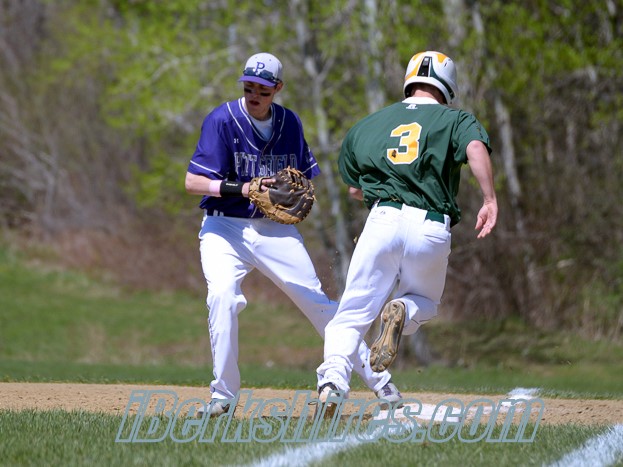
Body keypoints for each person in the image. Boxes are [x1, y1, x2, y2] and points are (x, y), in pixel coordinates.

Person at [185, 52, 402, 416]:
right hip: (224, 227)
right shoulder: (222, 119)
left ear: (278, 89)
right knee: (221, 297)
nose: (255, 95)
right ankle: (223, 396)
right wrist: (242, 188)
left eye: (263, 90)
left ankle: (381, 383)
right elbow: (192, 182)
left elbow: (302, 180)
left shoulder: (289, 122)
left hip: (273, 230)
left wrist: (291, 194)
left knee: (318, 303)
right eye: (249, 87)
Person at [316, 51, 498, 404]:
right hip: (431, 225)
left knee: (351, 315)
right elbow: (475, 147)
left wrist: (386, 190)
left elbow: (355, 188)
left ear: (410, 81)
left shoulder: (369, 124)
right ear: (447, 86)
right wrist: (489, 199)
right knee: (425, 302)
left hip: (383, 220)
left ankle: (333, 382)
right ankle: (403, 310)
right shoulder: (456, 119)